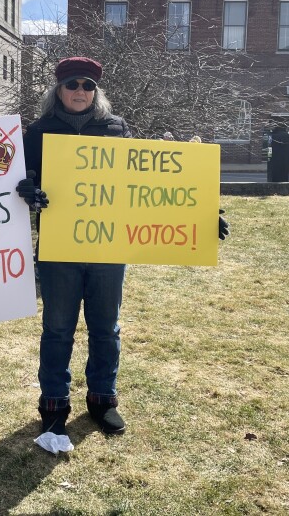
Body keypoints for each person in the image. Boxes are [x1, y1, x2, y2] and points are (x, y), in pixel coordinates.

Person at [17, 57, 229, 447]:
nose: (80, 91)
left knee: (106, 327)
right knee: (58, 329)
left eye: (87, 85)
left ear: (96, 92)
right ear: (57, 90)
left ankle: (101, 399)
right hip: (58, 248)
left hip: (108, 246)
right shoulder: (37, 132)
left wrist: (203, 212)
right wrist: (28, 191)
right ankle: (53, 407)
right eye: (71, 84)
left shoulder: (116, 130)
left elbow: (145, 183)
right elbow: (20, 182)